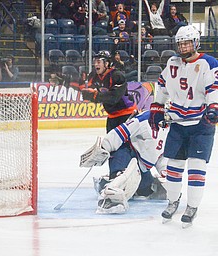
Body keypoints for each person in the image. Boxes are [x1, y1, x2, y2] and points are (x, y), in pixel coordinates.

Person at [148, 25, 218, 228]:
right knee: (174, 167)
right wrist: (157, 107)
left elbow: (214, 88)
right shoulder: (172, 63)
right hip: (178, 124)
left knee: (197, 167)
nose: (183, 47)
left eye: (187, 42)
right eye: (180, 43)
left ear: (196, 42)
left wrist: (213, 107)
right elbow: (161, 85)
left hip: (201, 124)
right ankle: (172, 201)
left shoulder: (209, 63)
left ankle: (192, 207)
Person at [80, 110, 168, 214]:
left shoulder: (173, 130)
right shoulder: (146, 118)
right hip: (127, 153)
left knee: (144, 191)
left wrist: (166, 172)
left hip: (141, 167)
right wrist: (104, 147)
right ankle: (110, 192)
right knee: (120, 173)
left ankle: (108, 183)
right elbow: (120, 132)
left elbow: (162, 156)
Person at [78, 50, 137, 184]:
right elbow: (86, 88)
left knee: (127, 146)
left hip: (127, 116)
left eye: (99, 61)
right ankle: (115, 174)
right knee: (112, 147)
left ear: (107, 63)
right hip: (112, 117)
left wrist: (94, 96)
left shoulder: (117, 76)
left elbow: (114, 97)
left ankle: (128, 174)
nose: (95, 64)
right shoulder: (94, 76)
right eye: (95, 61)